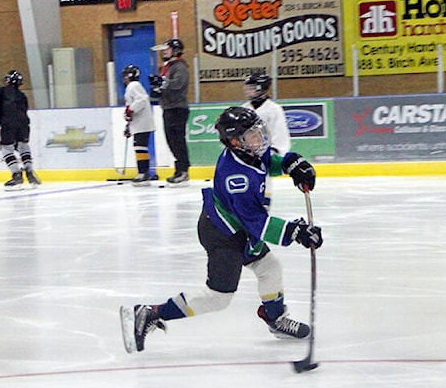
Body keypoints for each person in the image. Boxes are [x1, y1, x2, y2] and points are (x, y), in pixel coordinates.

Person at [119, 106, 321, 354]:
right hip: (223, 234)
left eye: (259, 131)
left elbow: (268, 161)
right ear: (235, 141)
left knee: (270, 267)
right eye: (252, 134)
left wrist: (292, 164)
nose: (259, 138)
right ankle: (149, 313)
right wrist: (295, 232)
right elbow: (256, 222)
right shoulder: (236, 176)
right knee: (218, 297)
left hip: (238, 228)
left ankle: (276, 318)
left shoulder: (247, 153)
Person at [148, 38, 191, 185]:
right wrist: (156, 89)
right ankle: (179, 169)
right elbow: (165, 87)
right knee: (171, 140)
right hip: (168, 107)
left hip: (178, 108)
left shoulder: (180, 66)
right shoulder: (168, 67)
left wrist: (163, 82)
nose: (164, 52)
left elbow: (178, 83)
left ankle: (183, 170)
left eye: (167, 49)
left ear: (176, 51)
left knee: (178, 140)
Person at [0, 69, 40, 190]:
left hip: (8, 122)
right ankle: (30, 173)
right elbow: (24, 110)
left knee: (7, 149)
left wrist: (3, 123)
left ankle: (16, 175)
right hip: (23, 123)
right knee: (23, 146)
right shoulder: (22, 96)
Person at [121, 64, 156, 185]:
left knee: (140, 147)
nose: (124, 78)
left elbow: (141, 100)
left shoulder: (133, 85)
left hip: (142, 123)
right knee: (140, 147)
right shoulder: (132, 87)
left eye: (126, 75)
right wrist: (128, 125)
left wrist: (130, 110)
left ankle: (143, 172)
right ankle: (143, 172)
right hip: (139, 123)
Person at [242, 72, 291, 154]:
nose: (247, 91)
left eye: (251, 88)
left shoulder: (273, 109)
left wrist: (276, 151)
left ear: (260, 89)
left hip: (269, 154)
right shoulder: (244, 109)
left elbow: (279, 132)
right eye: (247, 88)